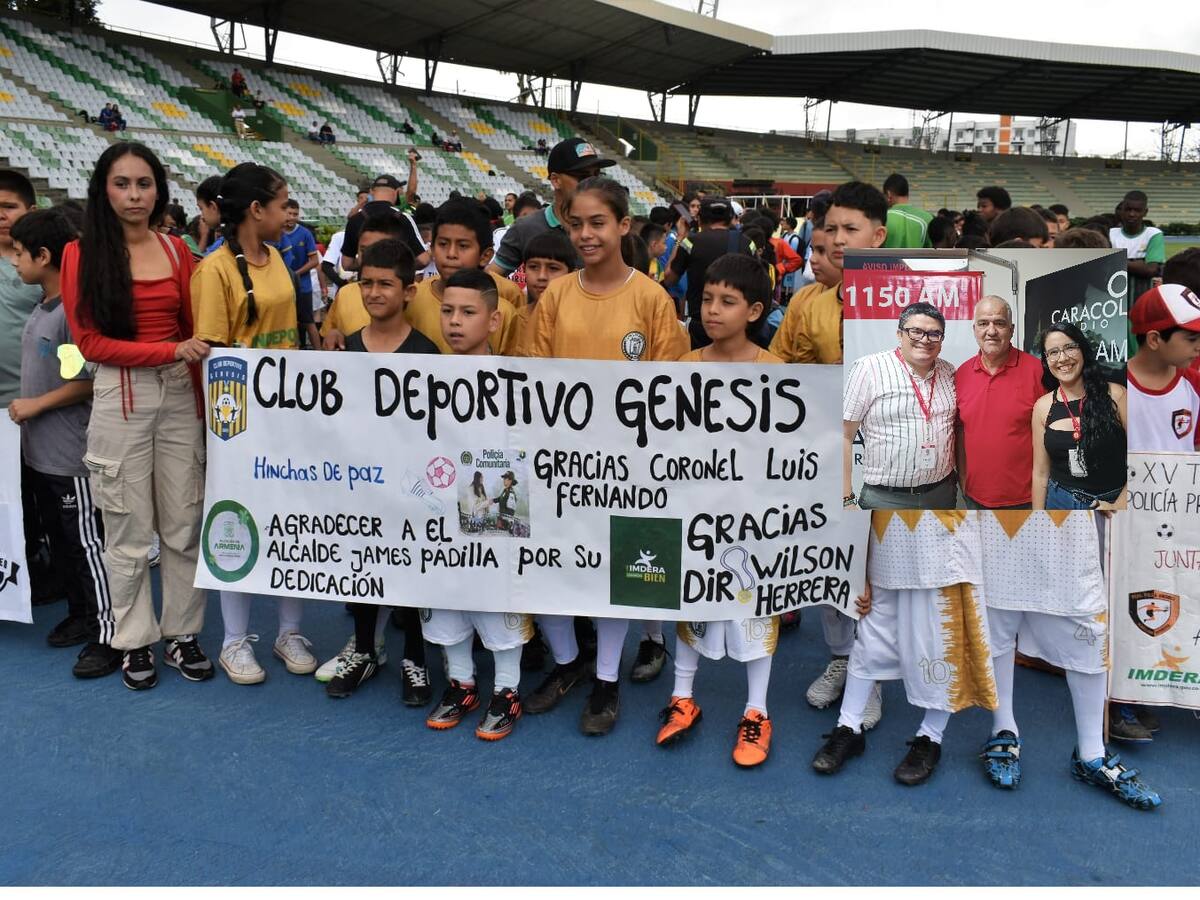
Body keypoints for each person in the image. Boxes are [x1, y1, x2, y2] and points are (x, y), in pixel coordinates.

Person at [526, 175, 688, 735]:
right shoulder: (556, 297)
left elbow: (669, 390)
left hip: (628, 464)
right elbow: (535, 382)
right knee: (550, 566)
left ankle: (606, 678)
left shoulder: (651, 299)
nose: (586, 234)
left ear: (623, 225)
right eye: (577, 224)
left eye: (598, 222)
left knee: (616, 571)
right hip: (562, 464)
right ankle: (569, 664)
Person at [60, 143, 212, 691]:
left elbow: (195, 332)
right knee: (126, 531)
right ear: (104, 188)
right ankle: (134, 640)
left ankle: (182, 633)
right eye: (122, 184)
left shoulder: (175, 250)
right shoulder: (82, 253)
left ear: (159, 190)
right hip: (119, 395)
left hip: (177, 399)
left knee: (182, 523)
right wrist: (171, 353)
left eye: (144, 184)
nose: (134, 195)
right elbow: (90, 343)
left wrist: (200, 404)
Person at [189, 162, 317, 686]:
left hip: (289, 415)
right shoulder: (214, 271)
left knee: (292, 520)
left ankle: (289, 632)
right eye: (283, 202)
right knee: (234, 521)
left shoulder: (278, 260)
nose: (290, 212)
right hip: (240, 422)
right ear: (256, 210)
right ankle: (234, 640)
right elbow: (214, 356)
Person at [657, 254, 782, 766]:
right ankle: (681, 697)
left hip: (755, 519)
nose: (712, 310)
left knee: (755, 609)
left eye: (727, 302)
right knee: (694, 604)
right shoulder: (685, 367)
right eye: (707, 299)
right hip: (696, 514)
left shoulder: (775, 373)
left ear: (754, 310)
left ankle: (757, 711)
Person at [978, 510, 1161, 809]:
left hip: (1066, 513)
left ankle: (1091, 753)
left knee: (1086, 625)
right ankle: (1003, 728)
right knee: (996, 615)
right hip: (999, 509)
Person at [323, 239, 441, 698]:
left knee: (410, 571)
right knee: (360, 565)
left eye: (385, 284)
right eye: (365, 283)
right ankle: (365, 650)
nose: (374, 292)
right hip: (358, 484)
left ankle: (414, 655)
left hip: (410, 488)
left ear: (409, 291)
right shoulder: (345, 351)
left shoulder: (427, 354)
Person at [8, 207, 120, 678]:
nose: (13, 261)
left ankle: (109, 633)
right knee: (61, 540)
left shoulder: (70, 314)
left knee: (85, 546)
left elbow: (85, 382)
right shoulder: (42, 305)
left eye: (18, 252)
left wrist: (34, 406)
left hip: (69, 457)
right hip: (42, 455)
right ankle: (81, 612)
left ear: (45, 255)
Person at [420, 268, 531, 739]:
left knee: (496, 593)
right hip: (434, 505)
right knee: (443, 592)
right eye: (447, 311)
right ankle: (460, 681)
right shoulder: (421, 378)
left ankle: (507, 690)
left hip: (493, 512)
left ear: (493, 320)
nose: (455, 321)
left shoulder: (516, 380)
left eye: (468, 312)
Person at [812, 510, 997, 785]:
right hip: (886, 530)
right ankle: (848, 727)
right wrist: (857, 564)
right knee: (871, 636)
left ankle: (930, 737)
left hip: (946, 535)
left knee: (942, 640)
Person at [844, 301, 957, 510]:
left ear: (941, 339)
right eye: (916, 332)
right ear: (900, 334)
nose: (925, 340)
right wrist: (845, 499)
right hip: (885, 498)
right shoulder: (869, 369)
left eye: (934, 334)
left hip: (941, 494)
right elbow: (843, 435)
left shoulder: (949, 372)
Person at [772, 182, 888, 365]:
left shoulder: (904, 300)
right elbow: (804, 373)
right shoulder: (814, 307)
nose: (838, 240)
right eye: (830, 230)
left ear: (878, 236)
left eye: (850, 229)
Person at [954, 296, 1045, 509]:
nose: (991, 331)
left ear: (1011, 329)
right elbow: (960, 432)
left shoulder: (1038, 371)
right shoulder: (961, 374)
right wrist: (964, 480)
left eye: (999, 323)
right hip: (974, 498)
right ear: (974, 329)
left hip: (1027, 499)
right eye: (984, 323)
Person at [1031, 323, 1127, 510]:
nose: (1063, 358)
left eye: (1070, 348)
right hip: (1059, 501)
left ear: (1083, 349)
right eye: (1053, 352)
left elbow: (1143, 462)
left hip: (1111, 502)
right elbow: (1040, 473)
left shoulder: (1117, 396)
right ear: (1046, 359)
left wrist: (1121, 504)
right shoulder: (1042, 407)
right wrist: (1038, 519)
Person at [490, 137, 612, 277]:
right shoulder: (525, 228)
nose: (592, 184)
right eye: (583, 177)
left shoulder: (608, 228)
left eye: (596, 176)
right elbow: (491, 279)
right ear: (555, 180)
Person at [663, 196, 754, 348]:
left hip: (702, 324)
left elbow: (669, 278)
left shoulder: (690, 242)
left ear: (699, 219)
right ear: (731, 218)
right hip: (737, 325)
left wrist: (680, 237)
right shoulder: (747, 243)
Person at [1126, 283, 1200, 452]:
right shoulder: (1115, 386)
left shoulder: (1195, 385)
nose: (1199, 347)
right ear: (1154, 340)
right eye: (1192, 339)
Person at [767, 219, 839, 362]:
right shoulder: (803, 297)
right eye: (813, 250)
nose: (812, 259)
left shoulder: (878, 303)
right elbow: (779, 356)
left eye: (823, 251)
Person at [340, 165, 426, 274]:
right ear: (397, 192)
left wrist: (369, 261)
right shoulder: (403, 218)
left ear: (371, 192)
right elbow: (423, 260)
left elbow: (346, 264)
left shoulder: (355, 219)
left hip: (366, 285)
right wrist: (398, 265)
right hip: (394, 284)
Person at [512, 230, 576, 357]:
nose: (542, 276)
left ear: (572, 274)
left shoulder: (580, 320)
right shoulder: (516, 318)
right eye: (533, 267)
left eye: (553, 268)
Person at [277, 199, 321, 348]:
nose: (291, 217)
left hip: (302, 286)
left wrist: (295, 273)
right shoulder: (275, 232)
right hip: (280, 287)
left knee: (308, 321)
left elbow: (314, 260)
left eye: (295, 214)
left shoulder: (305, 233)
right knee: (285, 324)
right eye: (289, 213)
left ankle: (320, 355)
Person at [1109, 191, 1165, 307]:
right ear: (1122, 210)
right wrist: (1139, 264)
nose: (1132, 214)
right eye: (1128, 209)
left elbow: (1151, 270)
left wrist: (1116, 260)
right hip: (1113, 303)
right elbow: (1103, 267)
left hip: (1142, 301)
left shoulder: (1153, 234)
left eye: (1137, 210)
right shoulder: (1111, 234)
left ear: (1145, 212)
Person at [881, 173, 932, 249]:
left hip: (887, 261)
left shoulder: (882, 217)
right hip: (915, 261)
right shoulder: (927, 218)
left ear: (888, 194)